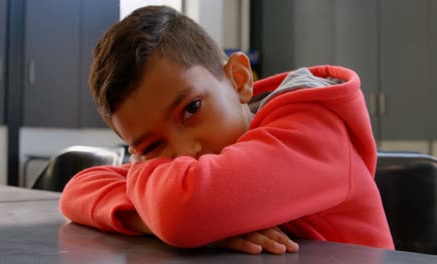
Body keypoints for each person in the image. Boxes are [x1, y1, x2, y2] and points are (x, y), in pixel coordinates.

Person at [59, 5, 394, 255]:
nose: (185, 151)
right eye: (152, 146)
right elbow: (77, 190)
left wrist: (184, 214)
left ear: (239, 79)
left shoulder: (314, 128)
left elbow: (183, 211)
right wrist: (152, 219)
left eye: (191, 109)